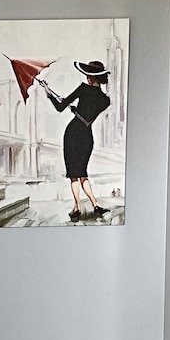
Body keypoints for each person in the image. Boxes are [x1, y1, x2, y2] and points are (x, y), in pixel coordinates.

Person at [36, 60, 111, 221]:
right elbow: (88, 114)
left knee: (74, 175)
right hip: (87, 136)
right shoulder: (106, 100)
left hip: (73, 134)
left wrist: (48, 92)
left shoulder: (83, 89)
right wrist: (77, 110)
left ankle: (77, 207)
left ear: (90, 77)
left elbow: (59, 107)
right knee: (83, 173)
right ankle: (95, 205)